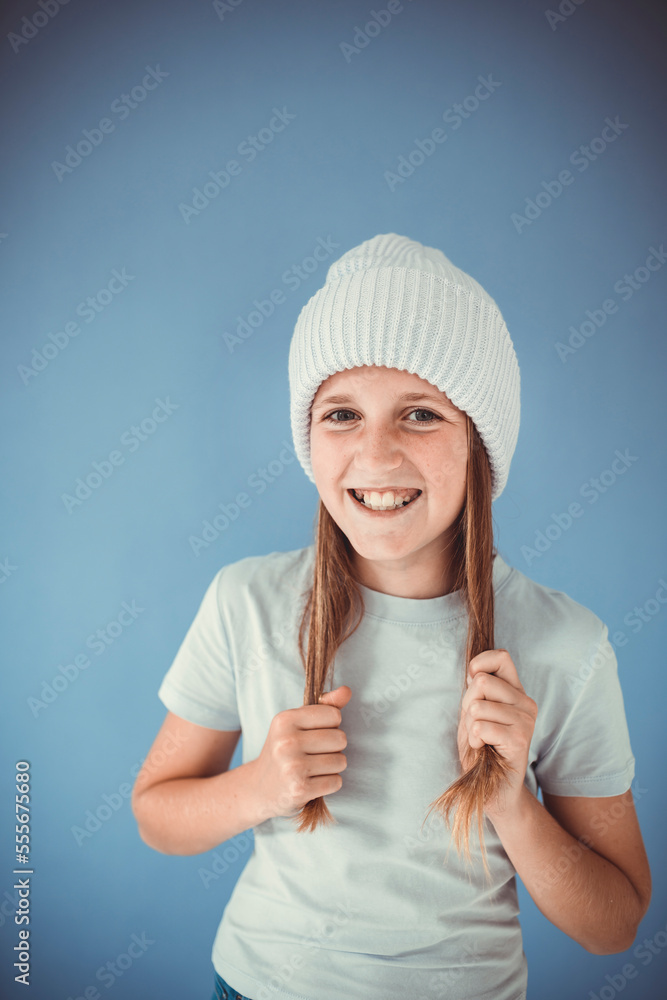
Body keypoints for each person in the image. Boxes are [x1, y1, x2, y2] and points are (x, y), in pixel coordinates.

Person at [131, 233, 651, 1000]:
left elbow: (614, 926)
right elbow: (156, 815)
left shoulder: (564, 644)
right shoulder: (246, 601)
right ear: (308, 439)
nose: (375, 456)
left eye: (418, 415)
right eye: (341, 414)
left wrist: (512, 805)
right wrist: (261, 788)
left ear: (479, 443)